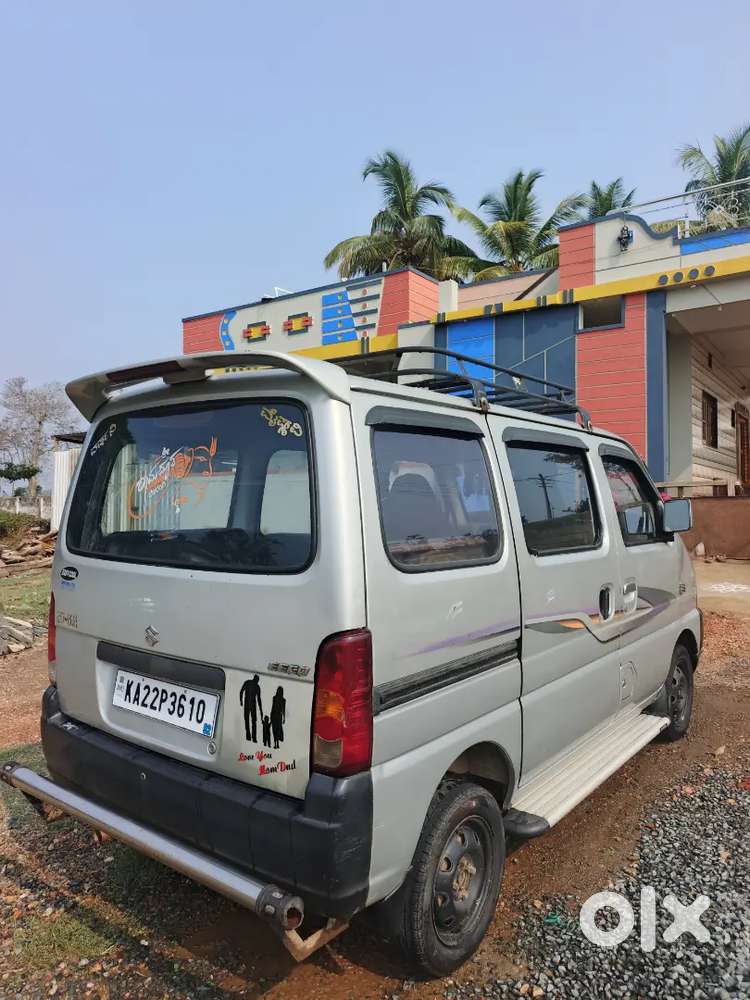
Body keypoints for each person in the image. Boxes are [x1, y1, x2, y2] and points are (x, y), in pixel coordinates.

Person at [239, 675, 263, 742]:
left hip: (250, 705)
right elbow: (241, 691)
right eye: (257, 680)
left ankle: (252, 737)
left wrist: (261, 710)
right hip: (249, 704)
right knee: (249, 721)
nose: (257, 682)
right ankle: (250, 737)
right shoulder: (252, 684)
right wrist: (241, 701)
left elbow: (259, 699)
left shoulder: (253, 685)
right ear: (256, 679)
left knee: (251, 721)